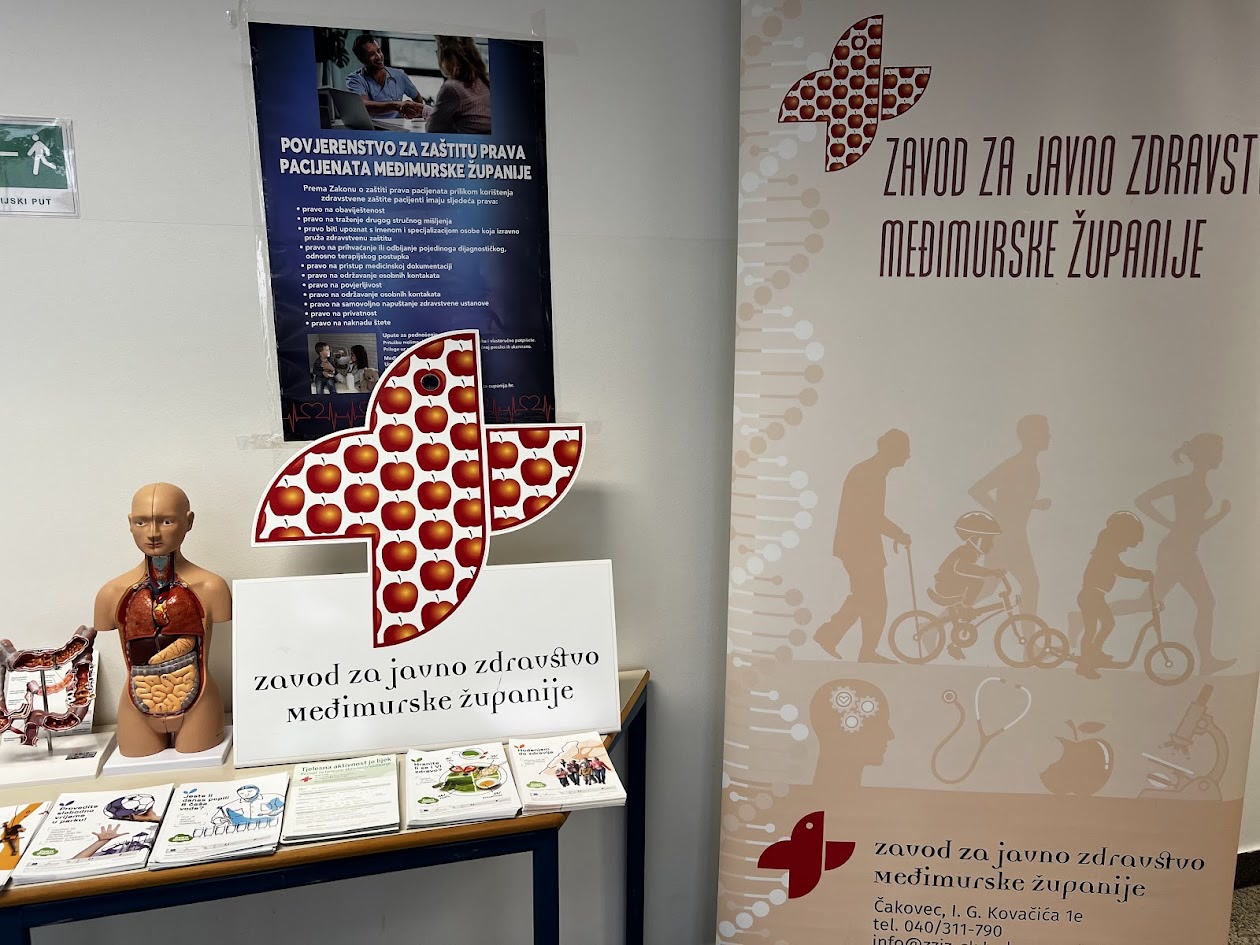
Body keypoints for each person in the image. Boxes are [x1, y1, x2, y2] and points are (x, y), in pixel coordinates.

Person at [93, 483, 230, 756]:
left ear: (189, 522)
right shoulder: (111, 594)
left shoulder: (211, 587)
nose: (153, 533)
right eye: (142, 522)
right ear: (130, 524)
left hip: (200, 703)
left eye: (166, 521)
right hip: (137, 702)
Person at [1109, 434, 1234, 675]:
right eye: (1217, 450)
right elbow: (1142, 500)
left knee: (1145, 603)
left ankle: (1080, 617)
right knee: (1206, 602)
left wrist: (1220, 516)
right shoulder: (1186, 483)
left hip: (1180, 551)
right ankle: (1207, 661)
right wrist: (1170, 524)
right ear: (1205, 454)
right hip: (1179, 552)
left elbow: (1194, 528)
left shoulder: (1197, 484)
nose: (1220, 454)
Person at [814, 429, 912, 662]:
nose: (908, 456)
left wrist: (896, 534)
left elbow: (871, 516)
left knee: (867, 597)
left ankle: (833, 636)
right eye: (905, 450)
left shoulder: (872, 471)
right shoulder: (870, 473)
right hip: (859, 547)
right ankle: (855, 647)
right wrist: (898, 534)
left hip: (859, 545)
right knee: (874, 599)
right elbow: (871, 516)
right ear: (893, 450)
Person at [968, 415, 1051, 616]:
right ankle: (935, 624)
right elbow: (977, 489)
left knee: (992, 587)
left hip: (1013, 535)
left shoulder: (1028, 465)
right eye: (1043, 431)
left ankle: (934, 624)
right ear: (1030, 435)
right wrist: (1004, 512)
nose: (1049, 435)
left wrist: (1029, 505)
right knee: (1028, 585)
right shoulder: (1017, 464)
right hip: (1006, 537)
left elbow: (1013, 499)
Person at [1075, 511, 1153, 679]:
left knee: (1106, 625)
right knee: (1093, 630)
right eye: (1125, 544)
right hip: (1091, 596)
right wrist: (1141, 574)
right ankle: (1085, 664)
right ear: (1117, 539)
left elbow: (1121, 569)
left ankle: (1094, 653)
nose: (1125, 549)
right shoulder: (1106, 555)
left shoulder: (1107, 553)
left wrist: (1140, 574)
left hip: (1095, 596)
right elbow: (1122, 570)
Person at [930, 511, 1005, 624]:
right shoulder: (968, 552)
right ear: (978, 539)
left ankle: (963, 610)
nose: (991, 544)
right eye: (989, 540)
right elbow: (963, 568)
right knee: (977, 583)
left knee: (973, 585)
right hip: (945, 585)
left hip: (946, 583)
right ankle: (965, 609)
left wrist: (991, 572)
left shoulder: (970, 551)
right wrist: (991, 572)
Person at [345, 34, 424, 119]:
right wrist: (396, 105)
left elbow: (417, 99)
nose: (379, 57)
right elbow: (363, 105)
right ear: (361, 58)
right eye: (371, 54)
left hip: (398, 126)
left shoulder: (399, 75)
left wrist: (415, 116)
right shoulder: (355, 79)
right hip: (373, 126)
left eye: (379, 51)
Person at [426, 36, 492, 135]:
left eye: (438, 51)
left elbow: (432, 129)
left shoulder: (452, 87)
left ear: (445, 54)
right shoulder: (482, 81)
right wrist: (424, 110)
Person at [213, 784, 286, 827]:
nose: (246, 794)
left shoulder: (272, 797)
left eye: (250, 791)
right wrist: (221, 820)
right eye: (242, 793)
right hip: (242, 829)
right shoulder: (231, 806)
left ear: (257, 790)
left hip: (269, 825)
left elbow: (288, 804)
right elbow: (214, 819)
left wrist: (276, 812)